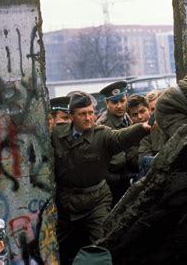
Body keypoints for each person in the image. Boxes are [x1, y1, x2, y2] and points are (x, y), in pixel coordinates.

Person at [51, 91, 150, 264]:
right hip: (66, 202)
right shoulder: (57, 134)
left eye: (91, 113)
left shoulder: (102, 134)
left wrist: (142, 128)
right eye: (83, 114)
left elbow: (121, 137)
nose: (88, 117)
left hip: (96, 200)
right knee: (59, 248)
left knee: (103, 244)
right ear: (72, 116)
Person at [96, 81, 135, 206]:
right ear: (107, 103)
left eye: (122, 101)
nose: (119, 106)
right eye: (114, 102)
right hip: (114, 183)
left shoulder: (127, 117)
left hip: (128, 176)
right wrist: (120, 179)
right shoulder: (103, 126)